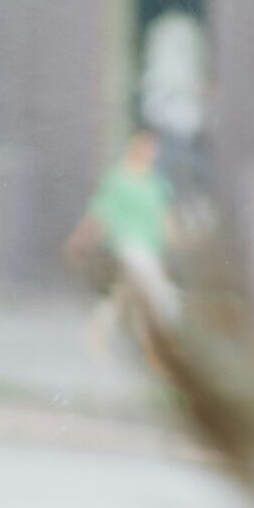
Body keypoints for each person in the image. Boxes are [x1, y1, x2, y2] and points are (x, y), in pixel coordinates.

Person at [65, 125, 182, 362]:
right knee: (158, 293)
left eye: (153, 148)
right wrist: (80, 240)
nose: (149, 152)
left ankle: (98, 335)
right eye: (145, 146)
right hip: (127, 247)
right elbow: (99, 213)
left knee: (123, 297)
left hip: (150, 248)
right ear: (134, 146)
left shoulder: (156, 183)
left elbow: (165, 219)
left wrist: (176, 240)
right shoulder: (118, 178)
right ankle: (163, 341)